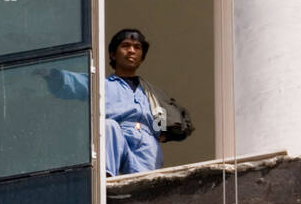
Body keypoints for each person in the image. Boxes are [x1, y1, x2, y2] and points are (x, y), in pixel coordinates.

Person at [42, 28, 193, 177]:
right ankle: (105, 182)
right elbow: (78, 82)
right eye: (125, 46)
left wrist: (162, 133)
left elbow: (162, 117)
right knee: (109, 126)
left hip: (146, 142)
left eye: (137, 47)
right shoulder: (103, 84)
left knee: (145, 188)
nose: (131, 51)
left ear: (142, 56)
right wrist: (51, 74)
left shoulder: (152, 93)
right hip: (118, 133)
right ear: (113, 54)